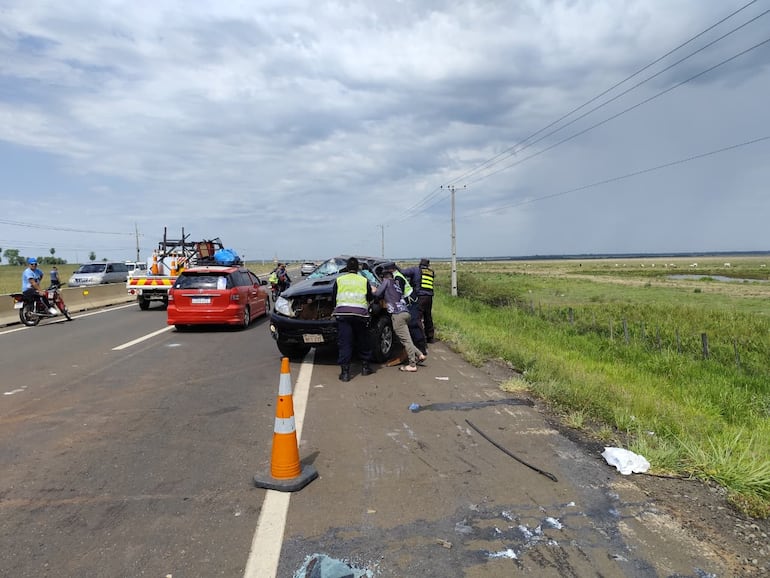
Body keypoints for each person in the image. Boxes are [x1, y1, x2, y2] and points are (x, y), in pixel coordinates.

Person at [373, 263, 425, 372]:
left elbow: (378, 294)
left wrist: (373, 290)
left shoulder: (386, 282)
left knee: (405, 340)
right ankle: (420, 355)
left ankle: (412, 364)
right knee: (407, 338)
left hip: (397, 315)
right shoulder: (396, 284)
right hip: (405, 312)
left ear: (383, 277)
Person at [331, 257, 374, 381]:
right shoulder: (364, 280)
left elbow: (333, 299)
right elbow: (370, 298)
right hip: (360, 315)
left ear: (347, 268)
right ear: (358, 268)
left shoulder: (339, 280)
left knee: (345, 343)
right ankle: (365, 367)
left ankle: (345, 373)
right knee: (363, 340)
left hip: (343, 315)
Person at [403, 257, 435, 343]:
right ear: (428, 265)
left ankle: (419, 337)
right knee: (428, 316)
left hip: (420, 296)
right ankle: (430, 337)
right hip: (429, 297)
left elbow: (403, 272)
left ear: (420, 264)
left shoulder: (416, 270)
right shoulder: (431, 272)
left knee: (417, 317)